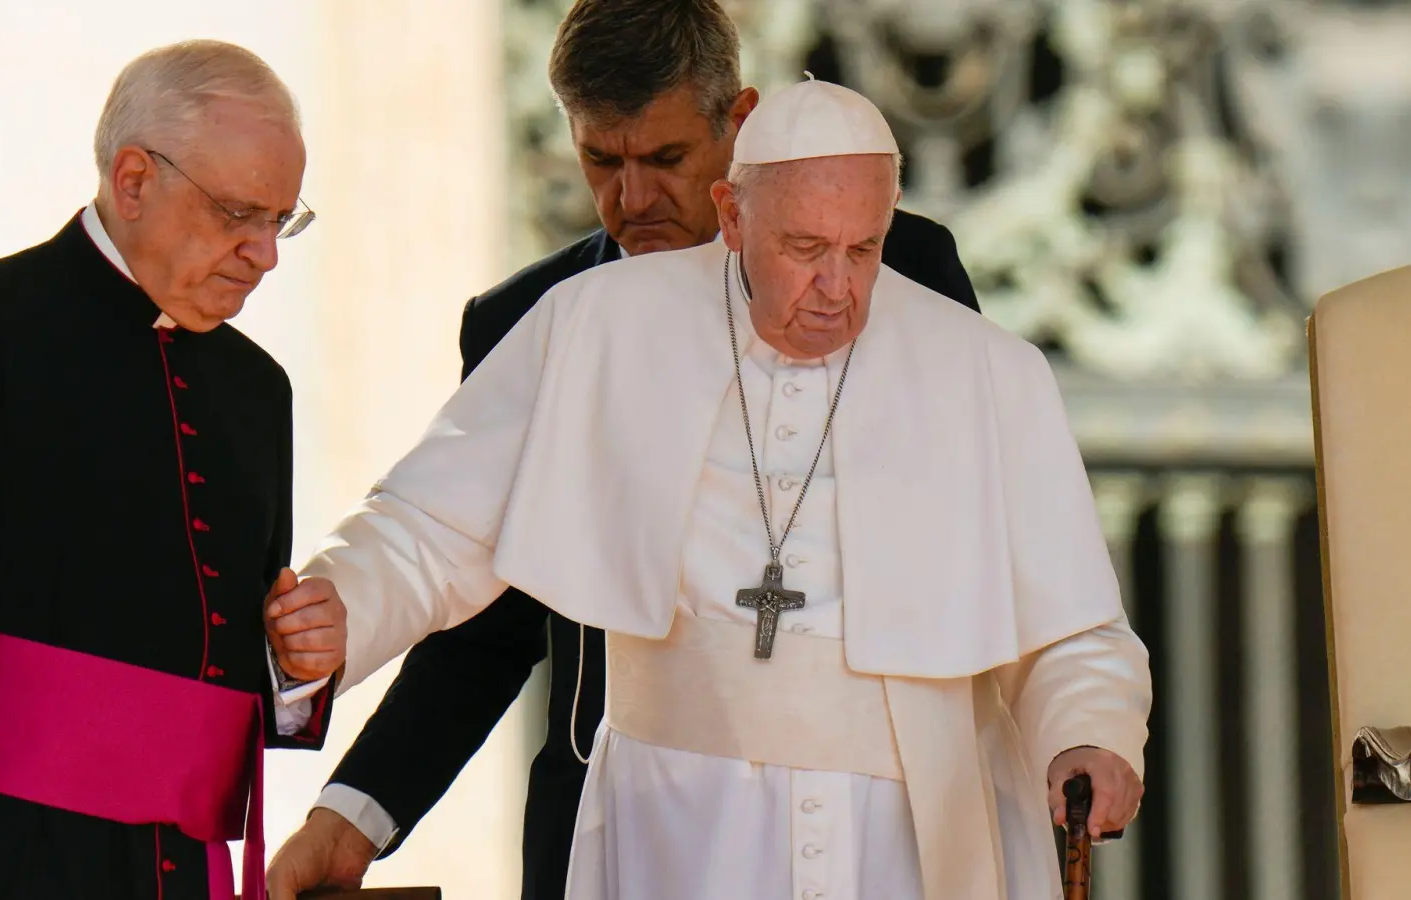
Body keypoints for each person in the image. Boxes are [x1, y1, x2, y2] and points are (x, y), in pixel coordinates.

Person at [271, 74, 1150, 900]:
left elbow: (1072, 625)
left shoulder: (990, 371)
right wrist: (343, 604)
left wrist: (1090, 731)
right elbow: (434, 524)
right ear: (731, 215)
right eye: (804, 249)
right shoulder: (596, 324)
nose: (837, 289)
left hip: (908, 833)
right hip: (676, 821)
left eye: (864, 250)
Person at [0, 40, 347, 900]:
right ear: (135, 180)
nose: (265, 254)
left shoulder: (258, 390)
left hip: (188, 872)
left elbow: (220, 659)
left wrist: (296, 668)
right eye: (237, 215)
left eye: (281, 221)